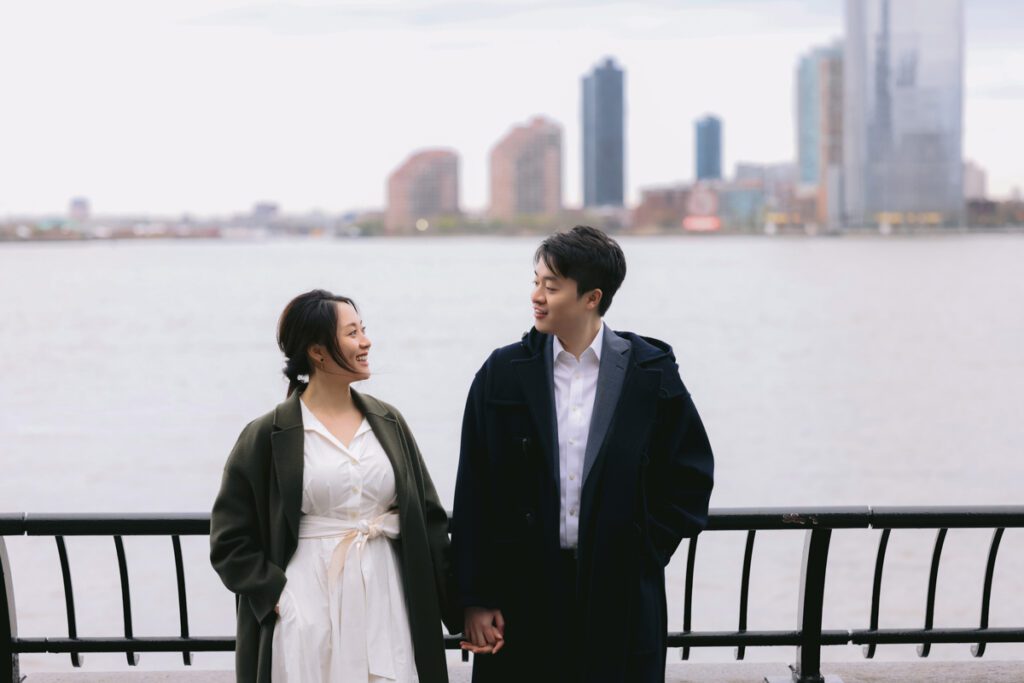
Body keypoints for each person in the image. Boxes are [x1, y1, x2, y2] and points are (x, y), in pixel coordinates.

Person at [452, 226, 714, 683]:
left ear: (592, 297)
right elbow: (473, 491)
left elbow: (690, 476)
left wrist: (642, 549)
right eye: (535, 281)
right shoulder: (501, 374)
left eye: (550, 287)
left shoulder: (649, 372)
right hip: (522, 594)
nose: (536, 295)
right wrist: (476, 597)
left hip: (621, 594)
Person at [210, 289, 460, 683]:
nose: (366, 342)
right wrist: (277, 597)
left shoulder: (387, 421)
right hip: (306, 604)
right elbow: (229, 540)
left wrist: (463, 611)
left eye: (364, 330)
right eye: (352, 333)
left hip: (387, 595)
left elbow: (428, 520)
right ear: (318, 352)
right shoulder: (267, 434)